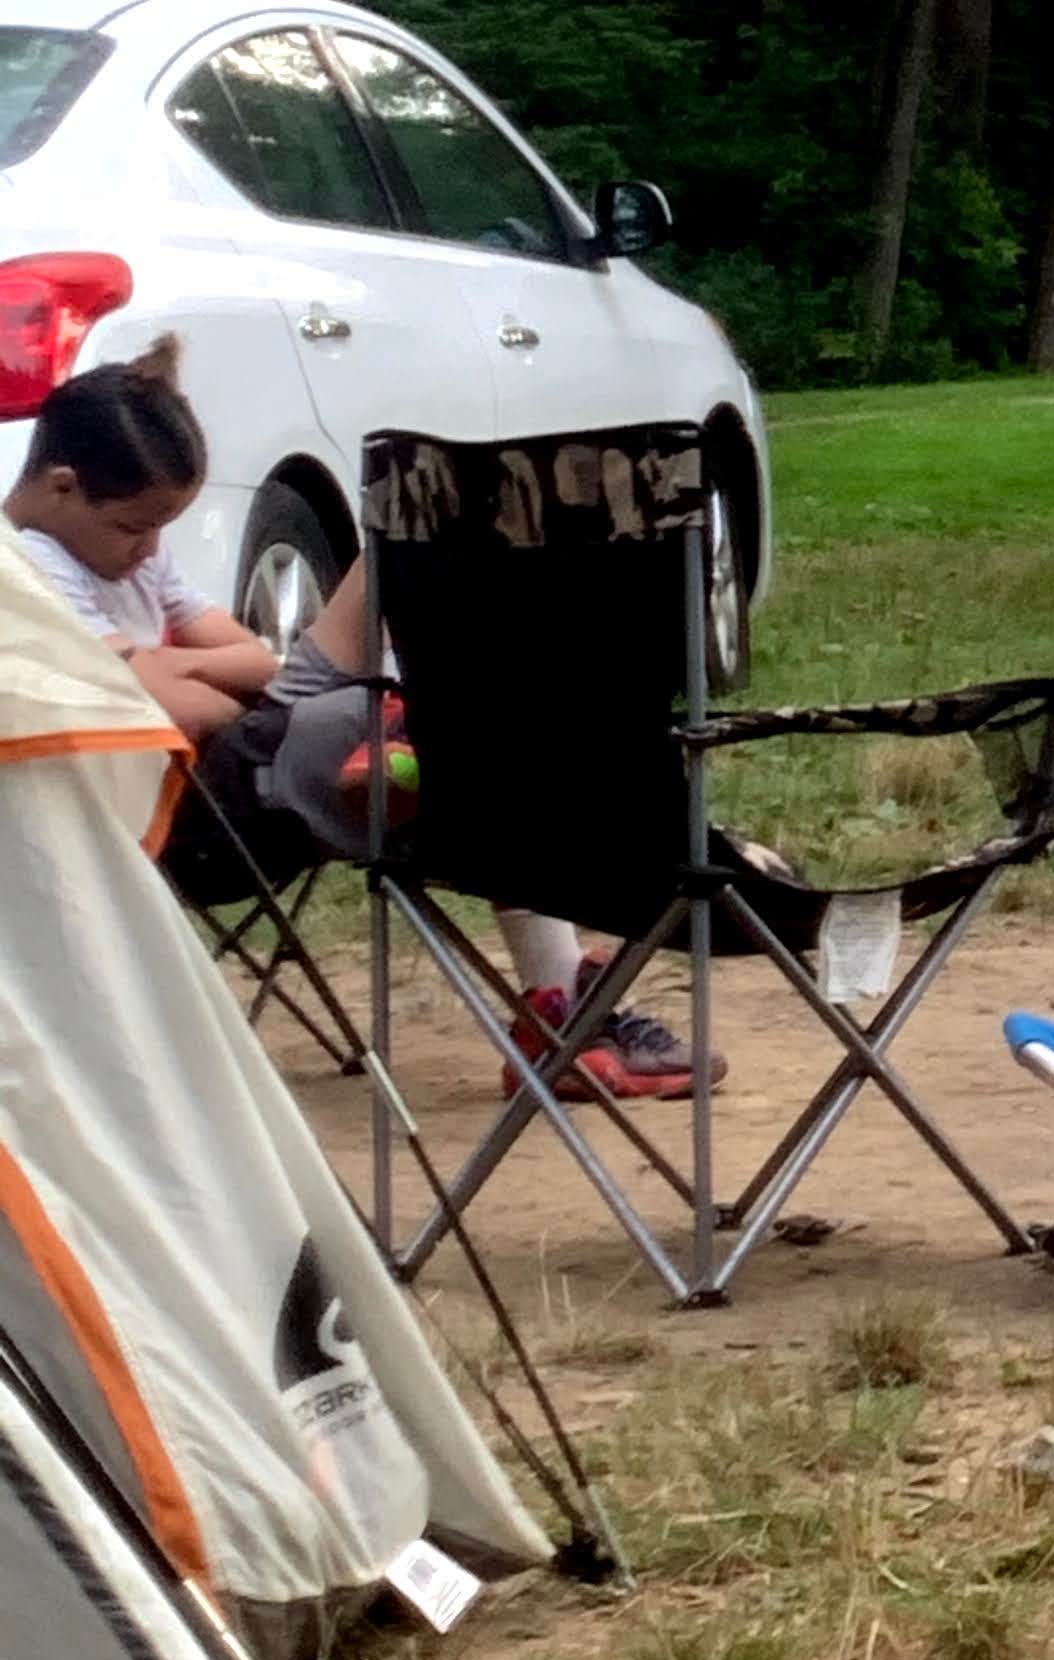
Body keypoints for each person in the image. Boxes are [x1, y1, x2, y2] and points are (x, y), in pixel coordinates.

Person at [6, 337, 713, 1102]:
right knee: (458, 735)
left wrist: (160, 663)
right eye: (133, 530)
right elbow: (191, 703)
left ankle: (426, 747)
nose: (149, 555)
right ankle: (560, 996)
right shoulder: (26, 569)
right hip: (188, 807)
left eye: (158, 533)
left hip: (255, 745)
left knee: (397, 553)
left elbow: (245, 660)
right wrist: (192, 675)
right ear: (63, 489)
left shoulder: (123, 548)